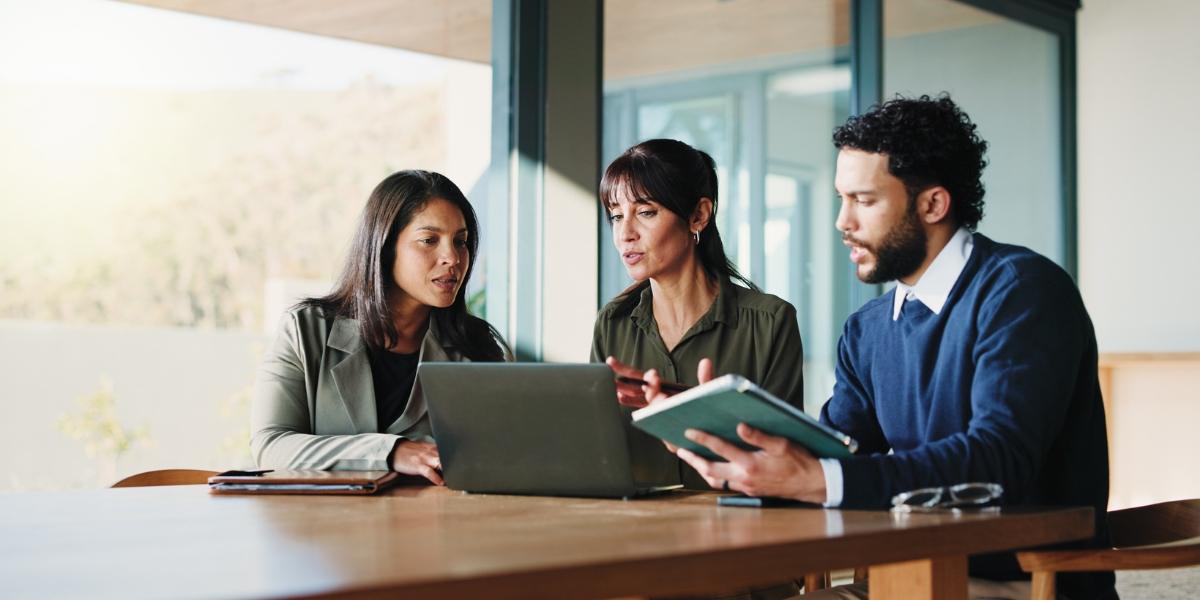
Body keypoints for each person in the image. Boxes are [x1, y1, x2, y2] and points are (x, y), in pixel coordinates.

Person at [653, 96, 1115, 599]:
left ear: (933, 204)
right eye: (840, 198)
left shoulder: (1022, 291)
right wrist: (728, 446)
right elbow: (836, 452)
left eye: (864, 201)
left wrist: (817, 479)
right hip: (903, 578)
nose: (842, 222)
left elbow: (997, 460)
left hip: (1026, 584)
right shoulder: (869, 329)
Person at [251, 170, 508, 484]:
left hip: (436, 527)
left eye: (461, 242)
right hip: (326, 529)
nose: (452, 257)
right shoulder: (306, 331)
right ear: (385, 247)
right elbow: (271, 446)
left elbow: (498, 457)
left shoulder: (478, 347)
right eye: (429, 240)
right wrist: (391, 451)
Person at [592, 138, 805, 492]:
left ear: (698, 215)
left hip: (740, 529)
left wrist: (694, 416)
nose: (625, 233)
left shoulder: (770, 323)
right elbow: (597, 451)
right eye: (616, 216)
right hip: (634, 533)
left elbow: (784, 462)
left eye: (645, 212)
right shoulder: (612, 323)